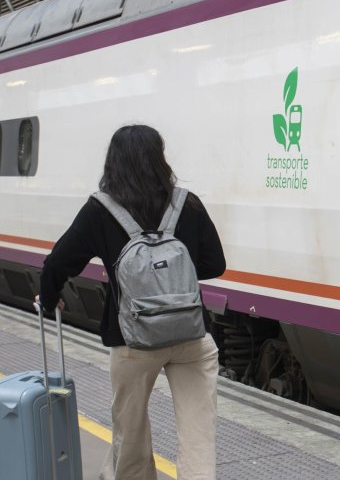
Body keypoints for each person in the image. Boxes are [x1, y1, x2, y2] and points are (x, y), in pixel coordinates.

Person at [38, 124, 226, 480]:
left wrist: (50, 299)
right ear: (160, 158)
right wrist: (171, 279)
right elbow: (215, 264)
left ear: (113, 161)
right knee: (199, 435)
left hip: (133, 340)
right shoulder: (187, 203)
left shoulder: (100, 209)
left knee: (131, 432)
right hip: (191, 336)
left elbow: (57, 263)